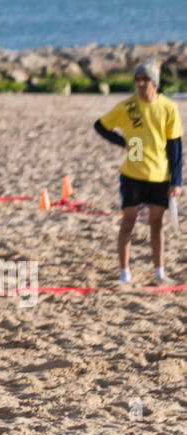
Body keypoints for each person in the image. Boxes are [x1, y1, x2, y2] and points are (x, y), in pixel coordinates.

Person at [93, 59, 183, 283]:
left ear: (155, 82)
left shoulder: (168, 107)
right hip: (132, 173)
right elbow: (100, 126)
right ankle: (124, 274)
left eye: (145, 79)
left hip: (159, 174)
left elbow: (175, 147)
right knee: (128, 222)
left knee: (156, 224)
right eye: (137, 80)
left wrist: (176, 181)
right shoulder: (127, 107)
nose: (141, 84)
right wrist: (121, 141)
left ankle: (159, 272)